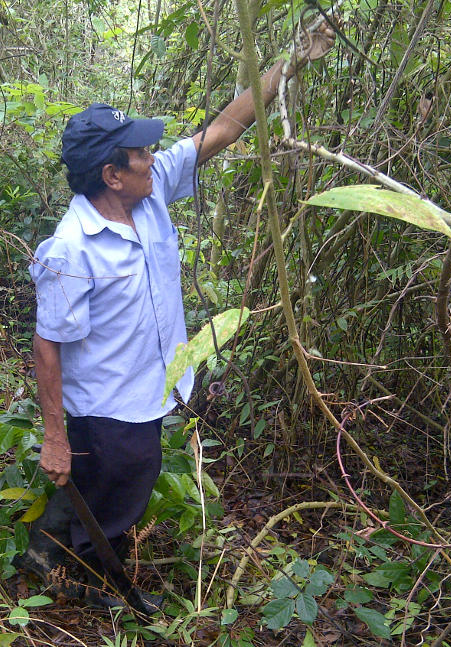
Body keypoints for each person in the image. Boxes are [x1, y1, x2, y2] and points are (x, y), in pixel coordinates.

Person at [24, 24, 335, 606]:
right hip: (109, 403)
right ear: (111, 176)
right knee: (123, 487)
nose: (151, 157)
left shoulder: (150, 193)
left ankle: (44, 546)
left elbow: (222, 127)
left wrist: (289, 64)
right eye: (138, 153)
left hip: (152, 384)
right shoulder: (71, 250)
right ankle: (94, 581)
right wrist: (54, 437)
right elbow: (47, 345)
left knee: (98, 479)